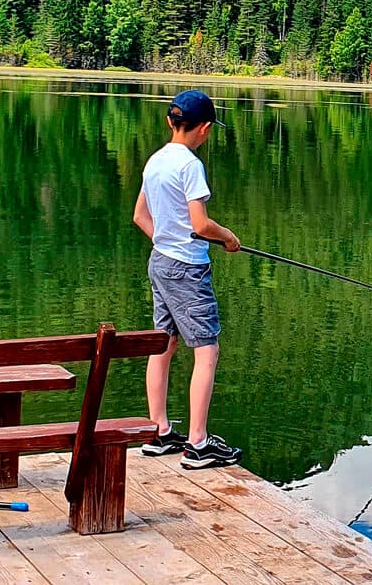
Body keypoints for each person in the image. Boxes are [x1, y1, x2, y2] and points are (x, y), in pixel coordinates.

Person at [133, 90, 243, 469]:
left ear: (170, 122)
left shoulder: (155, 161)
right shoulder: (190, 165)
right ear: (205, 128)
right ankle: (197, 443)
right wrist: (228, 237)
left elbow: (140, 217)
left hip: (160, 261)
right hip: (187, 269)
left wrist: (166, 239)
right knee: (207, 351)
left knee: (162, 344)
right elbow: (200, 224)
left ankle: (159, 431)